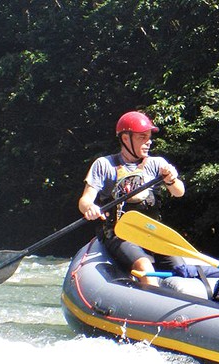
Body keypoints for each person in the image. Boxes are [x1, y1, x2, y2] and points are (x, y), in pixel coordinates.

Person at [78, 111, 185, 286]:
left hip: (151, 231)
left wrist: (171, 179)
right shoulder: (104, 164)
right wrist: (90, 207)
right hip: (118, 232)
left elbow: (179, 192)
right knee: (144, 266)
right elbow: (84, 201)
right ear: (126, 138)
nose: (148, 141)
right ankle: (151, 305)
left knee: (180, 267)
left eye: (149, 137)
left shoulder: (157, 164)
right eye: (142, 137)